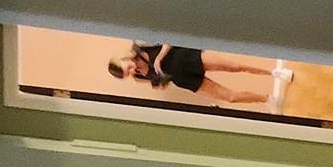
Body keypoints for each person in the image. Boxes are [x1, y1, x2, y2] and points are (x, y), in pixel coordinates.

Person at [108, 43, 293, 108]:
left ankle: (275, 73)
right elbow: (161, 81)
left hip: (185, 57)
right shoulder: (139, 76)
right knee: (229, 97)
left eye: (128, 67)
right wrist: (160, 81)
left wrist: (159, 59)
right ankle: (267, 99)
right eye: (128, 74)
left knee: (235, 67)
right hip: (183, 79)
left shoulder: (140, 47)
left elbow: (168, 39)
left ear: (124, 58)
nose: (132, 71)